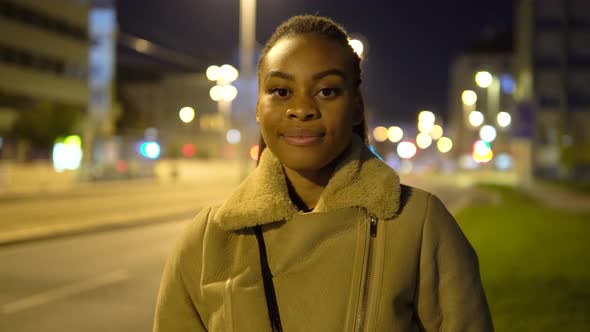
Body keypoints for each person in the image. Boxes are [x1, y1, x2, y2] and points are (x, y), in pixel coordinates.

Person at [153, 14, 493, 332]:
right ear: (258, 107)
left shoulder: (420, 225)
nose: (301, 109)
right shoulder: (207, 240)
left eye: (326, 91)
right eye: (281, 91)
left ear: (357, 105)